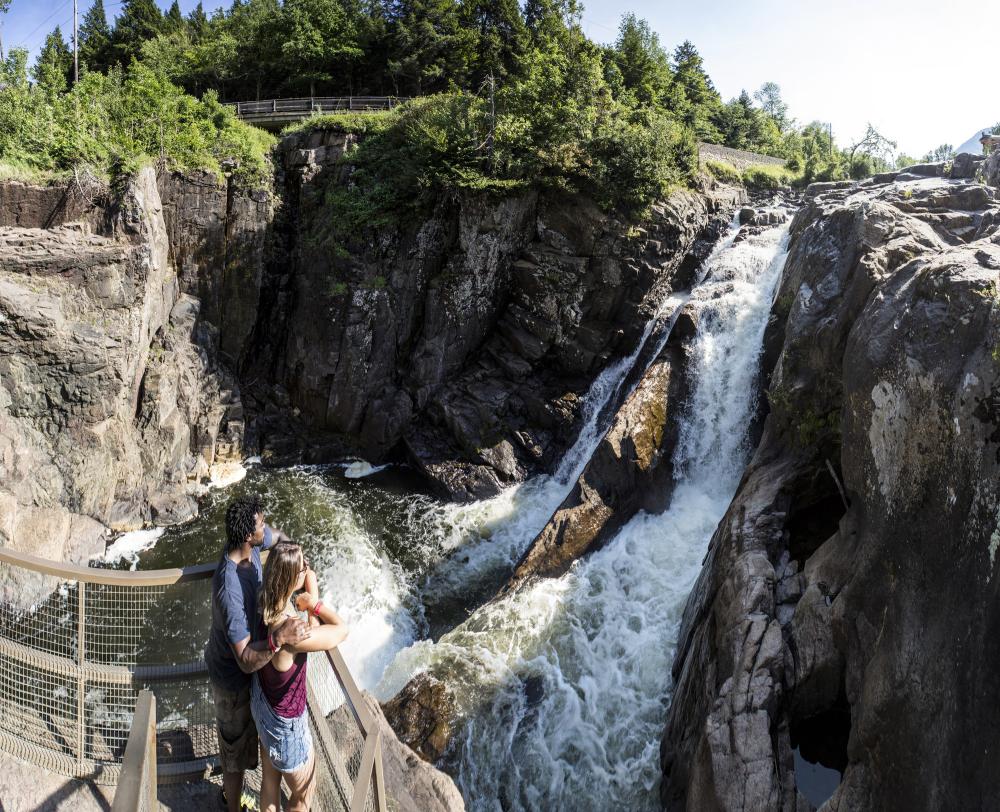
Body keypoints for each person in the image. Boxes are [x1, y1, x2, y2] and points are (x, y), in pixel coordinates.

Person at [205, 495, 311, 812]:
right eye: (261, 524)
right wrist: (278, 638)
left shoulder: (249, 545)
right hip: (233, 679)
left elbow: (278, 538)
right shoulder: (231, 588)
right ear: (247, 534)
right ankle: (233, 805)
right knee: (234, 753)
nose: (265, 528)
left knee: (252, 742)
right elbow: (245, 659)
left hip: (252, 671)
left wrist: (297, 558)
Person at [252, 541, 349, 812]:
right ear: (291, 579)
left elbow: (311, 631)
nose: (307, 568)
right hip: (286, 726)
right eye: (303, 567)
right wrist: (314, 604)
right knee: (303, 797)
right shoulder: (291, 632)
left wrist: (309, 585)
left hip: (262, 704)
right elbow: (341, 630)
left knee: (270, 782)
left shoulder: (263, 600)